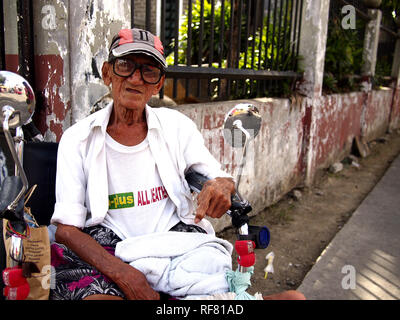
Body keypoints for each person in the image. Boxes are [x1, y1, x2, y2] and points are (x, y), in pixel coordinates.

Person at [49, 27, 305, 301]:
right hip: (110, 247)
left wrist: (220, 185)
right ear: (107, 73)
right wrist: (123, 273)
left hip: (174, 242)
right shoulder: (77, 139)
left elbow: (217, 177)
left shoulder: (176, 126)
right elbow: (66, 229)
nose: (136, 78)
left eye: (149, 71)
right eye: (125, 65)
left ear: (158, 84)